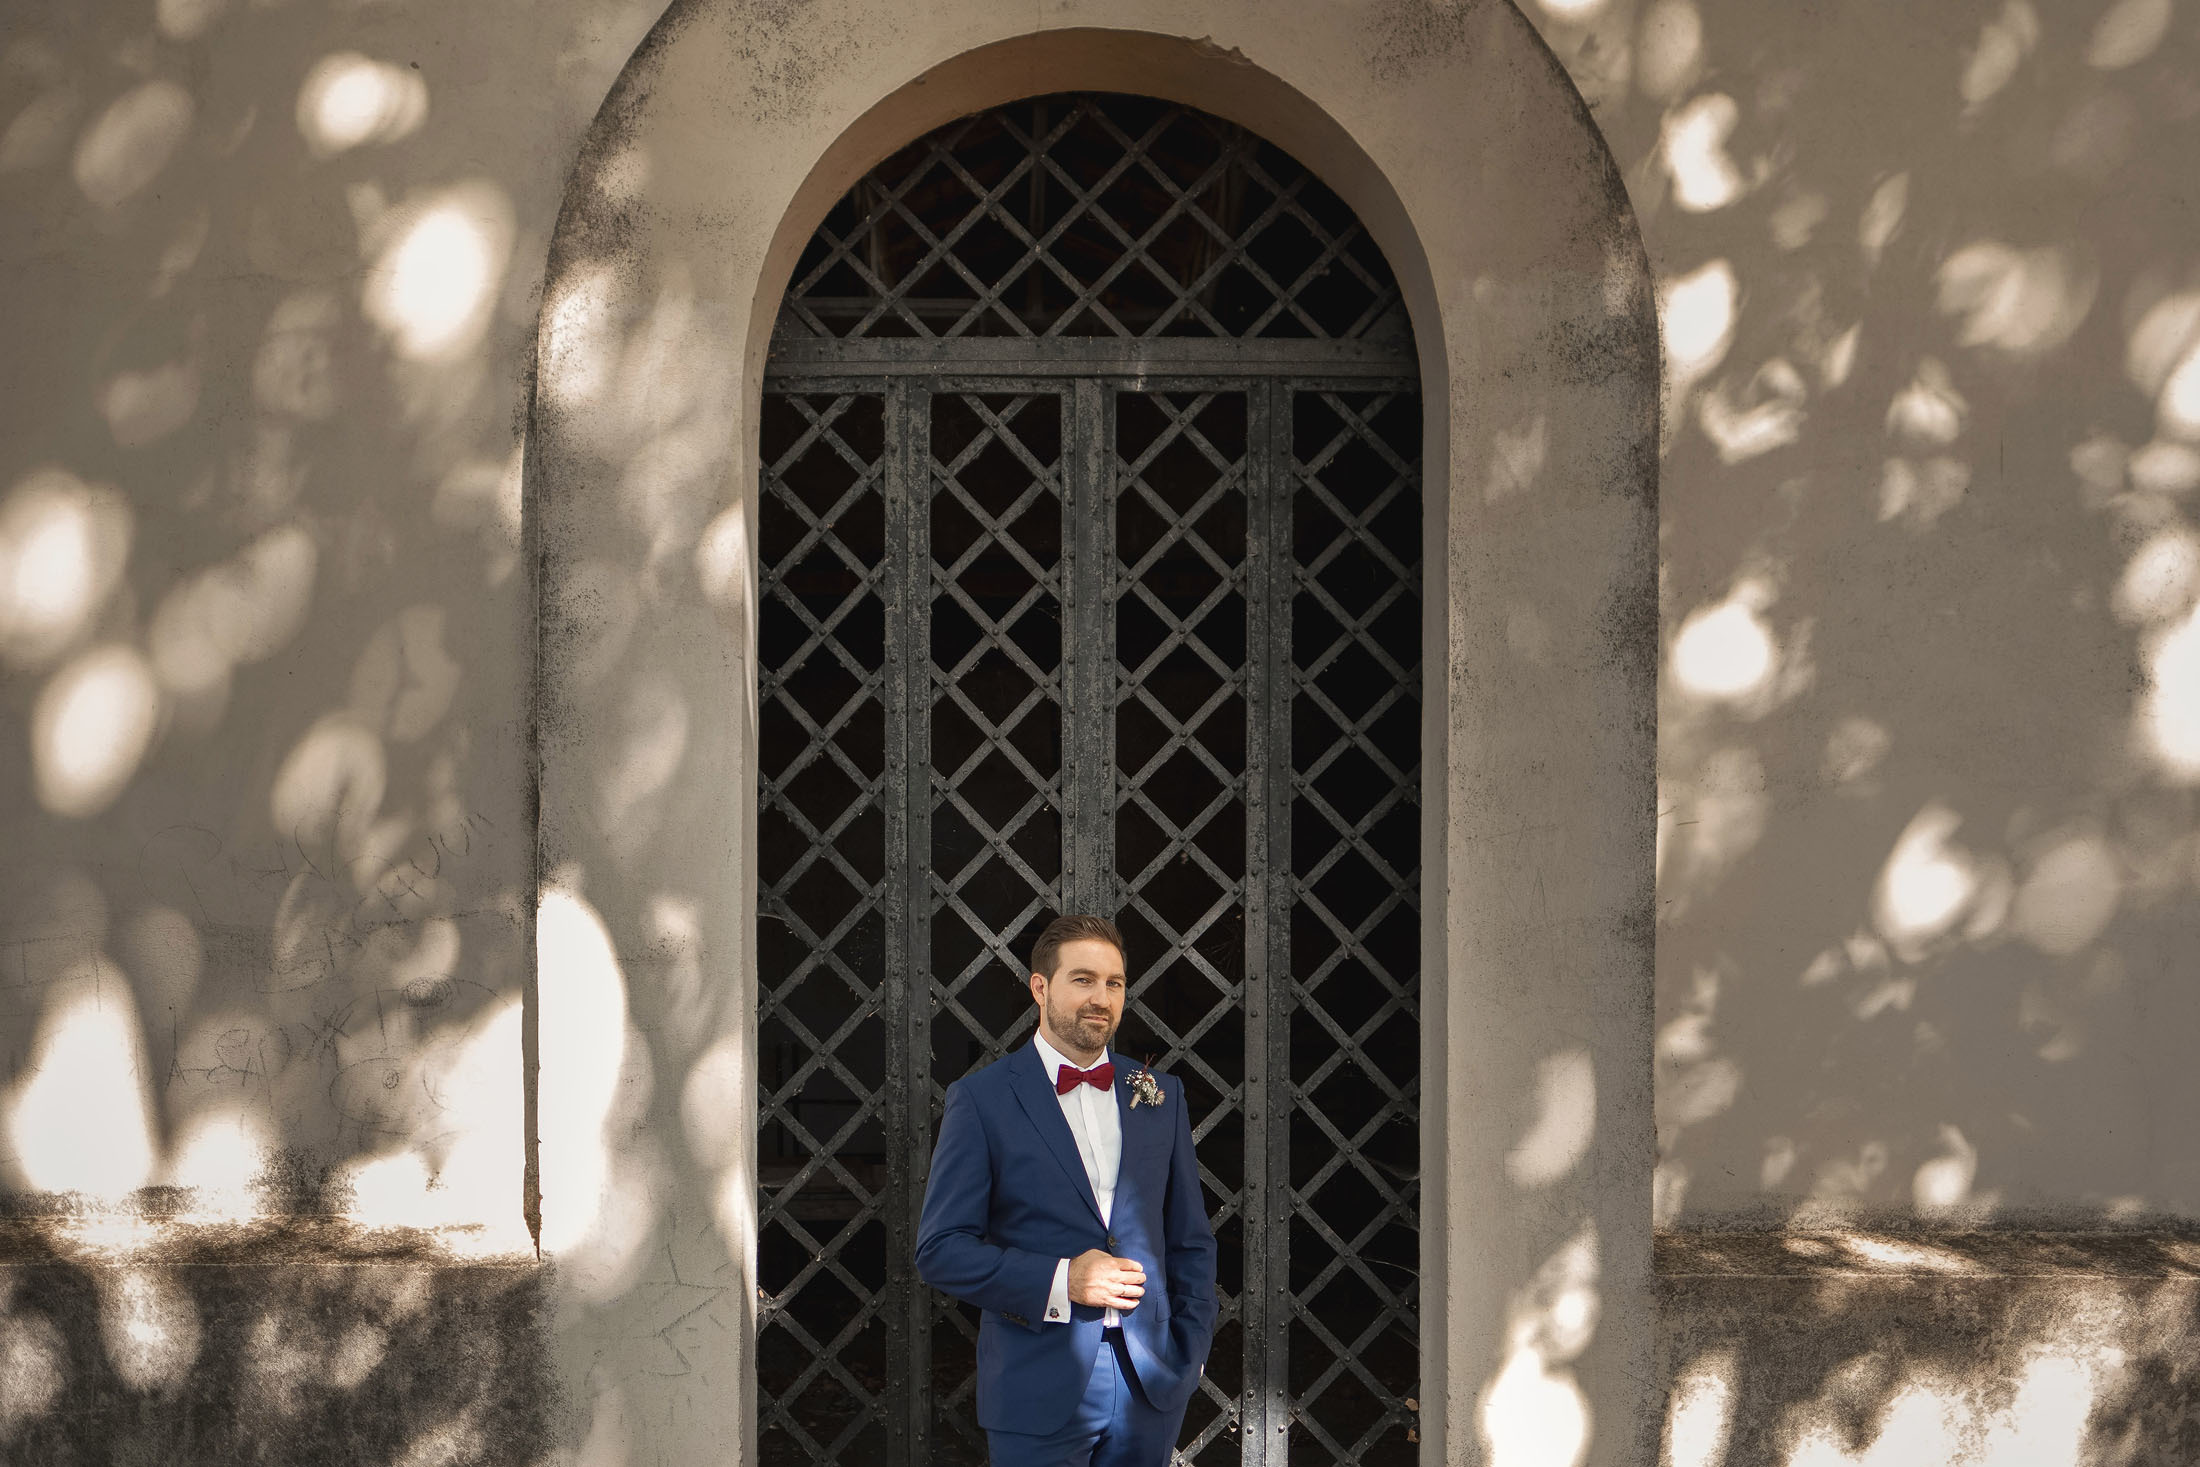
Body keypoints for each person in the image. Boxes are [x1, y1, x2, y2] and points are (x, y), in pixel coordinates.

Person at [916, 914, 1219, 1467]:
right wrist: (1062, 1279)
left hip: (1150, 1383)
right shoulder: (981, 1100)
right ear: (1040, 987)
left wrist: (1191, 1350)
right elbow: (940, 1251)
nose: (1101, 998)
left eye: (1114, 983)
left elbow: (1190, 1239)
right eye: (1082, 979)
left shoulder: (1160, 1095)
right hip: (1035, 1385)